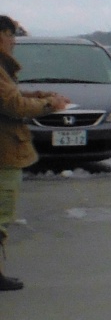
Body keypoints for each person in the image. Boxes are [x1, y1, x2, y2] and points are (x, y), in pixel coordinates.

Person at [0, 15, 70, 291]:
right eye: (11, 36)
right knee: (1, 213)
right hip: (3, 154)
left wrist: (42, 95)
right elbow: (12, 104)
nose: (14, 42)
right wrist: (49, 104)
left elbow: (12, 95)